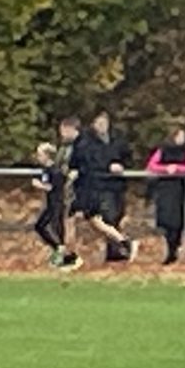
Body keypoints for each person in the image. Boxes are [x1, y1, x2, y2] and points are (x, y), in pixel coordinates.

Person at [68, 111, 135, 263]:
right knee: (100, 219)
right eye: (99, 123)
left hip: (115, 185)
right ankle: (121, 245)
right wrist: (106, 166)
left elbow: (128, 157)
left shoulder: (117, 139)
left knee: (112, 218)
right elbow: (83, 161)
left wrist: (121, 166)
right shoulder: (85, 141)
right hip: (94, 186)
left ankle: (118, 250)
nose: (102, 126)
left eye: (104, 123)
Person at [145, 125, 185, 265]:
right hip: (165, 188)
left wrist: (178, 169)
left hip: (180, 188)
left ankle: (175, 248)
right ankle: (170, 248)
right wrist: (165, 169)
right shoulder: (162, 150)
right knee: (165, 220)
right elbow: (152, 165)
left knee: (178, 221)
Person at [32, 140, 75, 268]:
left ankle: (63, 254)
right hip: (51, 203)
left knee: (57, 227)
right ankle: (58, 249)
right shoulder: (45, 170)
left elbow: (53, 187)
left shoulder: (55, 170)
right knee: (40, 226)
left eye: (40, 154)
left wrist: (39, 185)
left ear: (46, 155)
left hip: (57, 203)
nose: (38, 157)